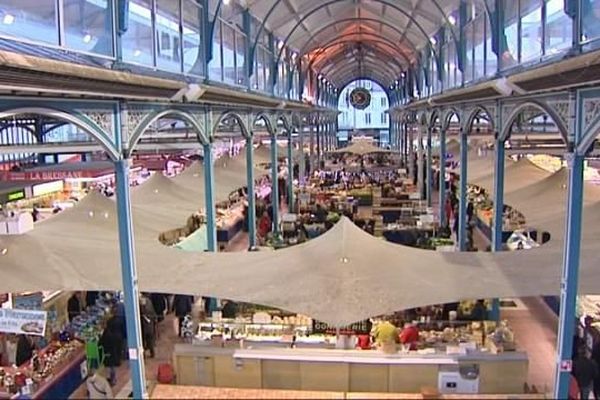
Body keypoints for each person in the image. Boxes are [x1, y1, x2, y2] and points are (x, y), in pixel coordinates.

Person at [98, 317, 123, 386]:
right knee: (112, 366)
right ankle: (112, 379)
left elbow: (102, 342)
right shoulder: (114, 332)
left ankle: (112, 380)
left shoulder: (107, 333)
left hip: (109, 352)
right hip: (113, 352)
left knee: (111, 366)